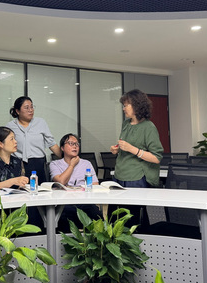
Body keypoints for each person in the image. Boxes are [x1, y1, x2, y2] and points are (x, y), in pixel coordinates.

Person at [109, 89, 164, 230]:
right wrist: (117, 149)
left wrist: (132, 149)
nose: (123, 108)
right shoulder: (126, 124)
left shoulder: (149, 127)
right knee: (114, 218)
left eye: (126, 105)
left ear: (137, 105)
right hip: (120, 174)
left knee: (131, 219)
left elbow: (156, 158)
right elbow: (125, 145)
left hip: (136, 178)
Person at [49, 133, 102, 232]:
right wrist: (72, 165)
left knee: (98, 217)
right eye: (71, 143)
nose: (75, 146)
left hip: (84, 202)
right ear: (62, 148)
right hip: (64, 204)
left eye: (77, 144)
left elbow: (95, 185)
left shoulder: (86, 163)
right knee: (63, 220)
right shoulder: (55, 164)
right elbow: (61, 181)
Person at [6, 96, 62, 185]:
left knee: (40, 189)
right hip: (17, 164)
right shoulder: (10, 126)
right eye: (26, 107)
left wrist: (66, 159)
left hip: (38, 164)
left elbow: (52, 144)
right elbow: (4, 147)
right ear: (17, 111)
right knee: (20, 190)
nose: (30, 110)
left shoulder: (41, 122)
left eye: (32, 107)